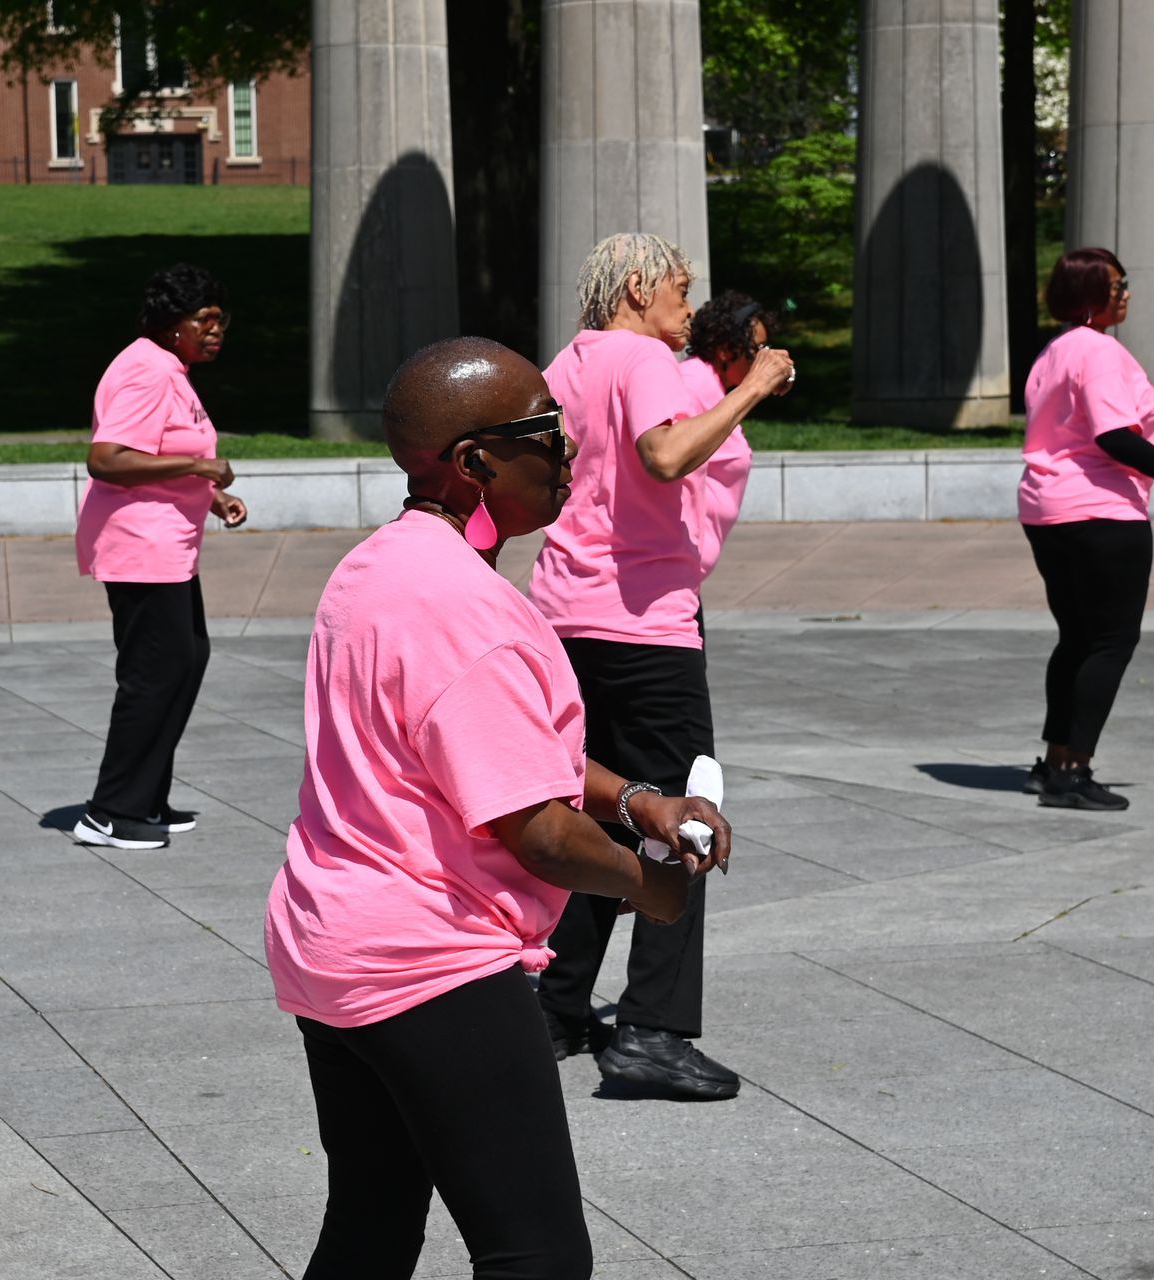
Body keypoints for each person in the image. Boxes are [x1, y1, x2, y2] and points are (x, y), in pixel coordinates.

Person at [266, 337, 731, 1279]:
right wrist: (650, 888)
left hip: (334, 943)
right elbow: (542, 835)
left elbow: (502, 749)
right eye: (548, 433)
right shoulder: (461, 607)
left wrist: (637, 798)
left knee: (370, 1227)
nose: (571, 450)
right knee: (537, 1256)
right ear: (475, 461)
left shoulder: (381, 565)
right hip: (428, 964)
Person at [528, 233, 791, 1101]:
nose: (688, 306)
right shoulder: (642, 357)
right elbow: (666, 454)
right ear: (638, 288)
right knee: (685, 817)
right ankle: (653, 1028)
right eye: (679, 288)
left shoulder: (567, 363)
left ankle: (557, 1007)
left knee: (603, 813)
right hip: (644, 624)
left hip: (566, 614)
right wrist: (751, 387)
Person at [1019, 248, 1154, 811]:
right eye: (1117, 286)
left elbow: (1077, 419)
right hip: (1101, 512)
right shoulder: (1099, 350)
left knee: (1076, 637)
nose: (1126, 293)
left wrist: (1151, 417)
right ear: (1091, 297)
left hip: (1047, 509)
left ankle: (1053, 764)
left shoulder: (1055, 350)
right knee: (1111, 641)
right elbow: (1112, 438)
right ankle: (1073, 773)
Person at [71, 263, 247, 851]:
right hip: (139, 546)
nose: (217, 330)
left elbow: (160, 449)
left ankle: (144, 800)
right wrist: (199, 467)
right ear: (173, 323)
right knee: (154, 674)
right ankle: (109, 812)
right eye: (205, 320)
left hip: (169, 546)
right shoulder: (145, 370)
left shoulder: (169, 369)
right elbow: (107, 458)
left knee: (185, 659)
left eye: (220, 319)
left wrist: (212, 496)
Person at [679, 290, 779, 582]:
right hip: (676, 566)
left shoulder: (711, 386)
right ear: (725, 350)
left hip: (687, 568)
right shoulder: (692, 383)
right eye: (758, 348)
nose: (764, 359)